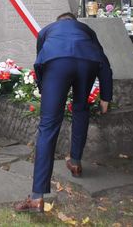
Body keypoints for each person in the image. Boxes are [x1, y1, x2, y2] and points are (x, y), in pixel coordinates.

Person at [15, 12, 112, 213]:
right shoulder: (86, 31)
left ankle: (36, 197)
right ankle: (75, 161)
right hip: (88, 63)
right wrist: (105, 96)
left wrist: (44, 90)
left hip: (57, 63)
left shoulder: (47, 31)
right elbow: (105, 64)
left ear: (58, 22)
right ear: (74, 23)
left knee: (48, 125)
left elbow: (39, 62)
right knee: (81, 108)